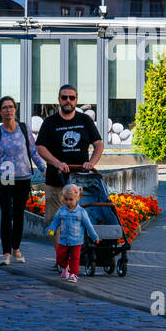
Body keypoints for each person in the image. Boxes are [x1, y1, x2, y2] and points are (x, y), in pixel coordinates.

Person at [36, 83, 103, 228]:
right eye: (64, 97)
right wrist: (57, 163)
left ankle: (76, 249)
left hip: (80, 181)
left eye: (71, 97)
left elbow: (98, 144)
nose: (68, 100)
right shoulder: (49, 122)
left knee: (79, 221)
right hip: (56, 181)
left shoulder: (85, 120)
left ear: (76, 100)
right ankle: (60, 251)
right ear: (59, 99)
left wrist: (91, 163)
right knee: (54, 221)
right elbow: (40, 147)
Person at [0, 95, 44, 266]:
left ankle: (16, 249)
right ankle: (5, 253)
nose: (8, 110)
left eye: (11, 107)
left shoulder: (24, 128)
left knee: (19, 214)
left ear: (15, 109)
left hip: (23, 176)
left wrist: (44, 169)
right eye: (4, 107)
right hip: (5, 175)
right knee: (6, 214)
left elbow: (33, 152)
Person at [45, 183, 99, 283]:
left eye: (71, 200)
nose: (68, 202)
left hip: (76, 240)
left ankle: (73, 274)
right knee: (60, 256)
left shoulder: (81, 212)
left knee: (75, 258)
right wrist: (51, 228)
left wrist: (94, 236)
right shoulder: (61, 210)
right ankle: (65, 267)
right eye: (66, 199)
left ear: (77, 198)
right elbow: (56, 221)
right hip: (63, 239)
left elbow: (88, 225)